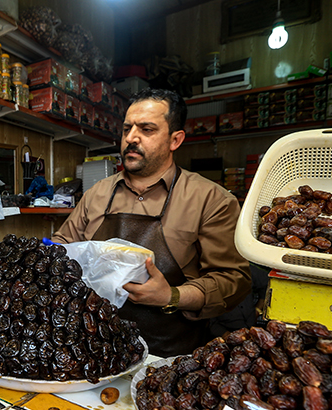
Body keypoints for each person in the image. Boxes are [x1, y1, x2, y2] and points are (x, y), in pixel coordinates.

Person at [52, 88, 251, 357]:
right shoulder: (97, 193)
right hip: (93, 350)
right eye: (127, 129)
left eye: (146, 129)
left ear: (175, 140)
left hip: (169, 357)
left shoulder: (211, 199)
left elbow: (233, 280)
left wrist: (172, 296)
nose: (131, 138)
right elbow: (61, 247)